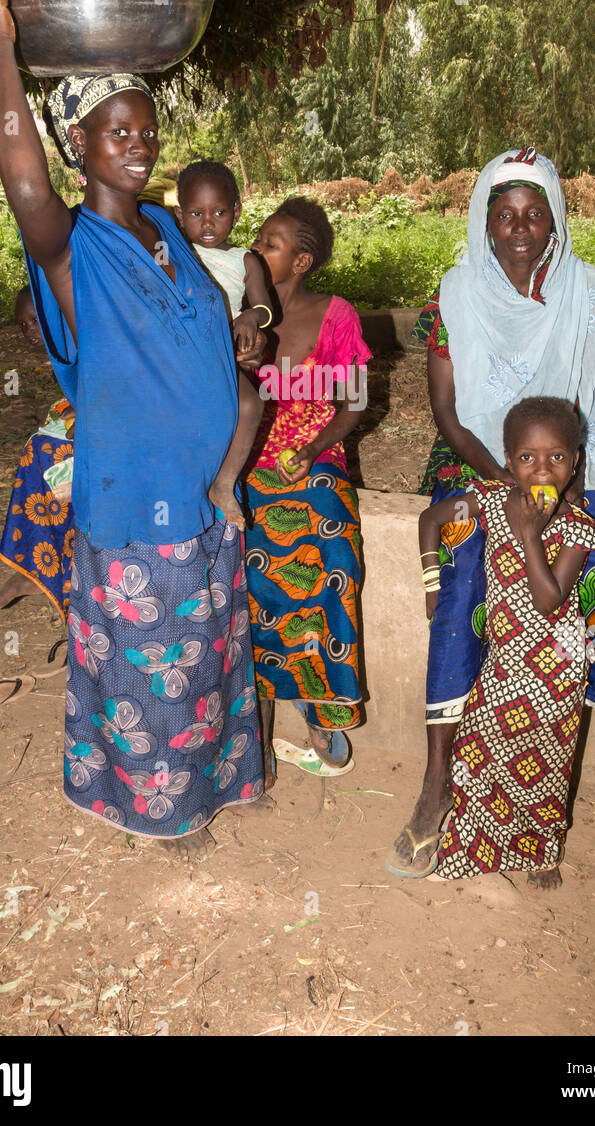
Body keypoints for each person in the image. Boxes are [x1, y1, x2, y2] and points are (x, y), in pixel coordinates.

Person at [0, 0, 264, 864]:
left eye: (146, 130)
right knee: (150, 671)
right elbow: (21, 182)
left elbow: (196, 335)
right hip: (138, 507)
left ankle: (216, 784)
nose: (138, 145)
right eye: (116, 132)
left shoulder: (169, 231)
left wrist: (235, 344)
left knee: (207, 660)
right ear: (77, 145)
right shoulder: (71, 249)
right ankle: (160, 816)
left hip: (211, 498)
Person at [390, 146, 595, 875]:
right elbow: (450, 412)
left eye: (534, 214)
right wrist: (508, 485)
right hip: (481, 464)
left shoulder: (590, 293)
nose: (520, 229)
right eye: (505, 215)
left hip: (576, 471)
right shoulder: (454, 294)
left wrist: (567, 485)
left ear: (555, 221)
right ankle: (437, 782)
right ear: (484, 223)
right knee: (461, 598)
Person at [412, 397, 595, 887]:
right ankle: (468, 853)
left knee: (544, 766)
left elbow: (548, 599)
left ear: (575, 461)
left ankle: (543, 853)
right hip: (503, 662)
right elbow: (430, 520)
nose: (542, 470)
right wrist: (432, 583)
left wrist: (528, 535)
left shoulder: (578, 528)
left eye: (556, 458)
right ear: (507, 459)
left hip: (556, 672)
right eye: (527, 458)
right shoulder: (487, 499)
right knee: (478, 752)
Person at [244, 197, 371, 778]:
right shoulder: (234, 312)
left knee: (330, 551)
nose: (255, 248)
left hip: (313, 456)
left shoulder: (334, 314)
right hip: (245, 460)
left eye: (270, 243)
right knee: (242, 573)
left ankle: (320, 703)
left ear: (301, 261)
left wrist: (316, 449)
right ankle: (255, 728)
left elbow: (357, 400)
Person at [174, 159, 273, 526]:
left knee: (250, 406)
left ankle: (224, 482)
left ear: (236, 212)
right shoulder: (173, 253)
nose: (208, 223)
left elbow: (265, 307)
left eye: (218, 212)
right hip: (179, 353)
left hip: (223, 355)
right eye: (196, 213)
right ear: (179, 215)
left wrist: (250, 316)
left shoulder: (244, 260)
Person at [0, 286, 76, 621]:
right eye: (23, 326)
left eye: (36, 321)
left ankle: (43, 572)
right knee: (40, 450)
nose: (30, 332)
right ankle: (40, 569)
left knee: (42, 453)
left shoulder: (84, 345)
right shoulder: (63, 350)